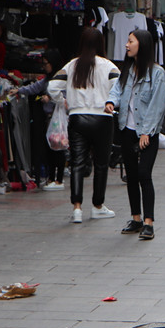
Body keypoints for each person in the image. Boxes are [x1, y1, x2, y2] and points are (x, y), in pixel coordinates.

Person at [47, 26, 119, 224]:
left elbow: (52, 87)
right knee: (101, 164)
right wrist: (111, 102)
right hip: (102, 118)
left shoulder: (71, 65)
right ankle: (97, 206)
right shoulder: (108, 66)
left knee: (78, 162)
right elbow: (119, 87)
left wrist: (63, 102)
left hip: (77, 118)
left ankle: (76, 207)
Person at [105, 29, 165, 240]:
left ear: (142, 44)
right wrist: (111, 102)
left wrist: (146, 133)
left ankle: (149, 222)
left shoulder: (157, 73)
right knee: (131, 176)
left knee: (144, 174)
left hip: (146, 132)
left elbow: (157, 106)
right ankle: (136, 218)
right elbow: (117, 90)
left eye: (130, 41)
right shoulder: (128, 70)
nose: (126, 45)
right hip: (126, 129)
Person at [12, 50, 65, 190]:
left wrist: (51, 99)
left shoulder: (62, 79)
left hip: (58, 119)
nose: (44, 67)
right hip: (49, 120)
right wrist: (19, 91)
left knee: (58, 149)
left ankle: (58, 179)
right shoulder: (47, 80)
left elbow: (66, 97)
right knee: (50, 148)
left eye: (46, 64)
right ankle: (51, 178)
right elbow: (34, 88)